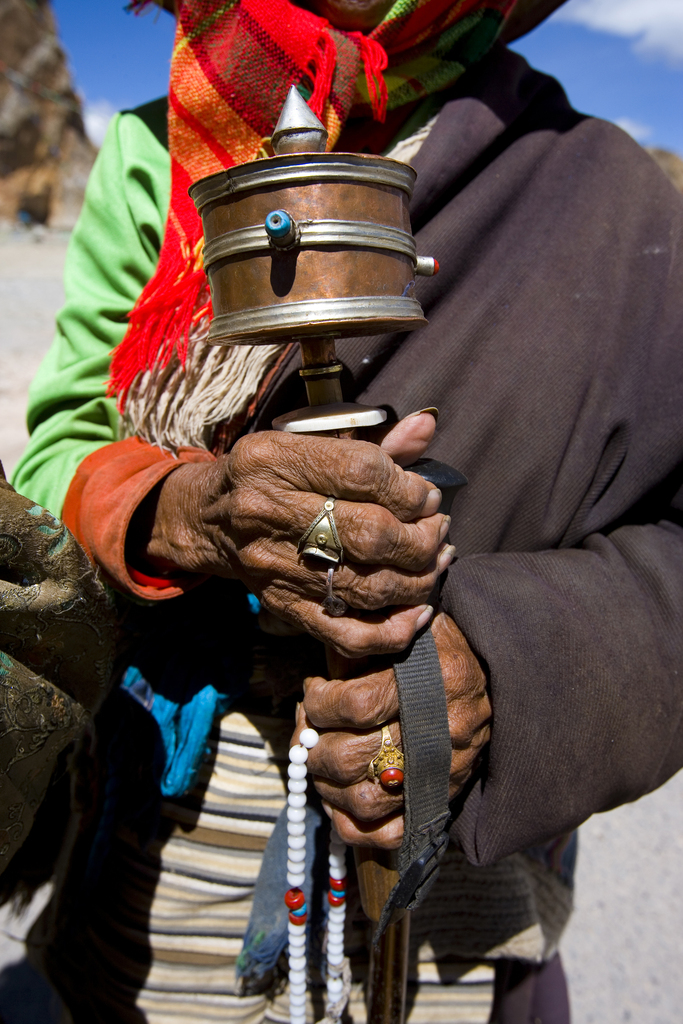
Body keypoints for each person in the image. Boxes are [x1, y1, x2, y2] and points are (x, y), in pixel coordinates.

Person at [12, 0, 683, 1021]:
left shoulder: (608, 197)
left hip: (464, 875)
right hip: (182, 826)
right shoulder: (159, 153)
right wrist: (191, 508)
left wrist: (505, 665)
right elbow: (61, 447)